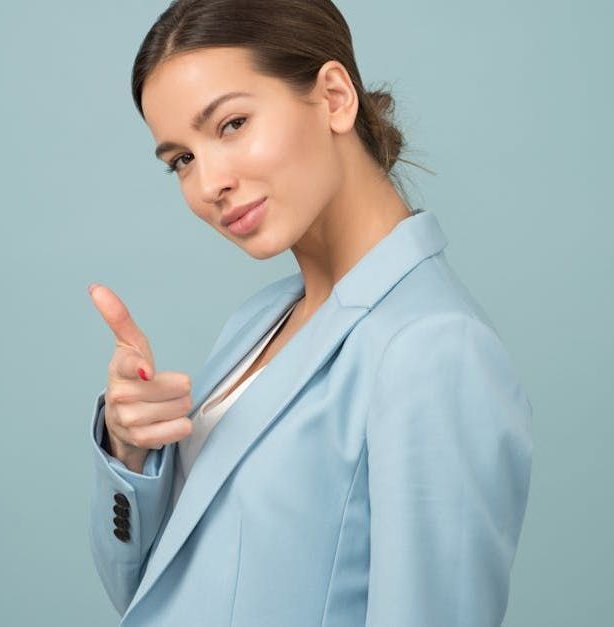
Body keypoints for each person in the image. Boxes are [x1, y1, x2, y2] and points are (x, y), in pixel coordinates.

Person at [87, 1, 533, 625]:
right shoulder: (257, 319)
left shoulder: (433, 348)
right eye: (181, 160)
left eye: (232, 123)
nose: (208, 181)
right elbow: (152, 595)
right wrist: (130, 452)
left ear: (333, 97)